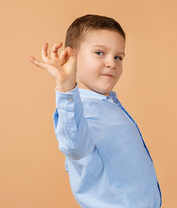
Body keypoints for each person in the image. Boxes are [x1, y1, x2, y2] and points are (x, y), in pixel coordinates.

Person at [29, 14, 162, 208]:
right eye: (100, 53)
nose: (112, 63)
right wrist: (67, 87)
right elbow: (73, 144)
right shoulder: (80, 110)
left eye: (118, 57)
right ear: (71, 56)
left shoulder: (108, 105)